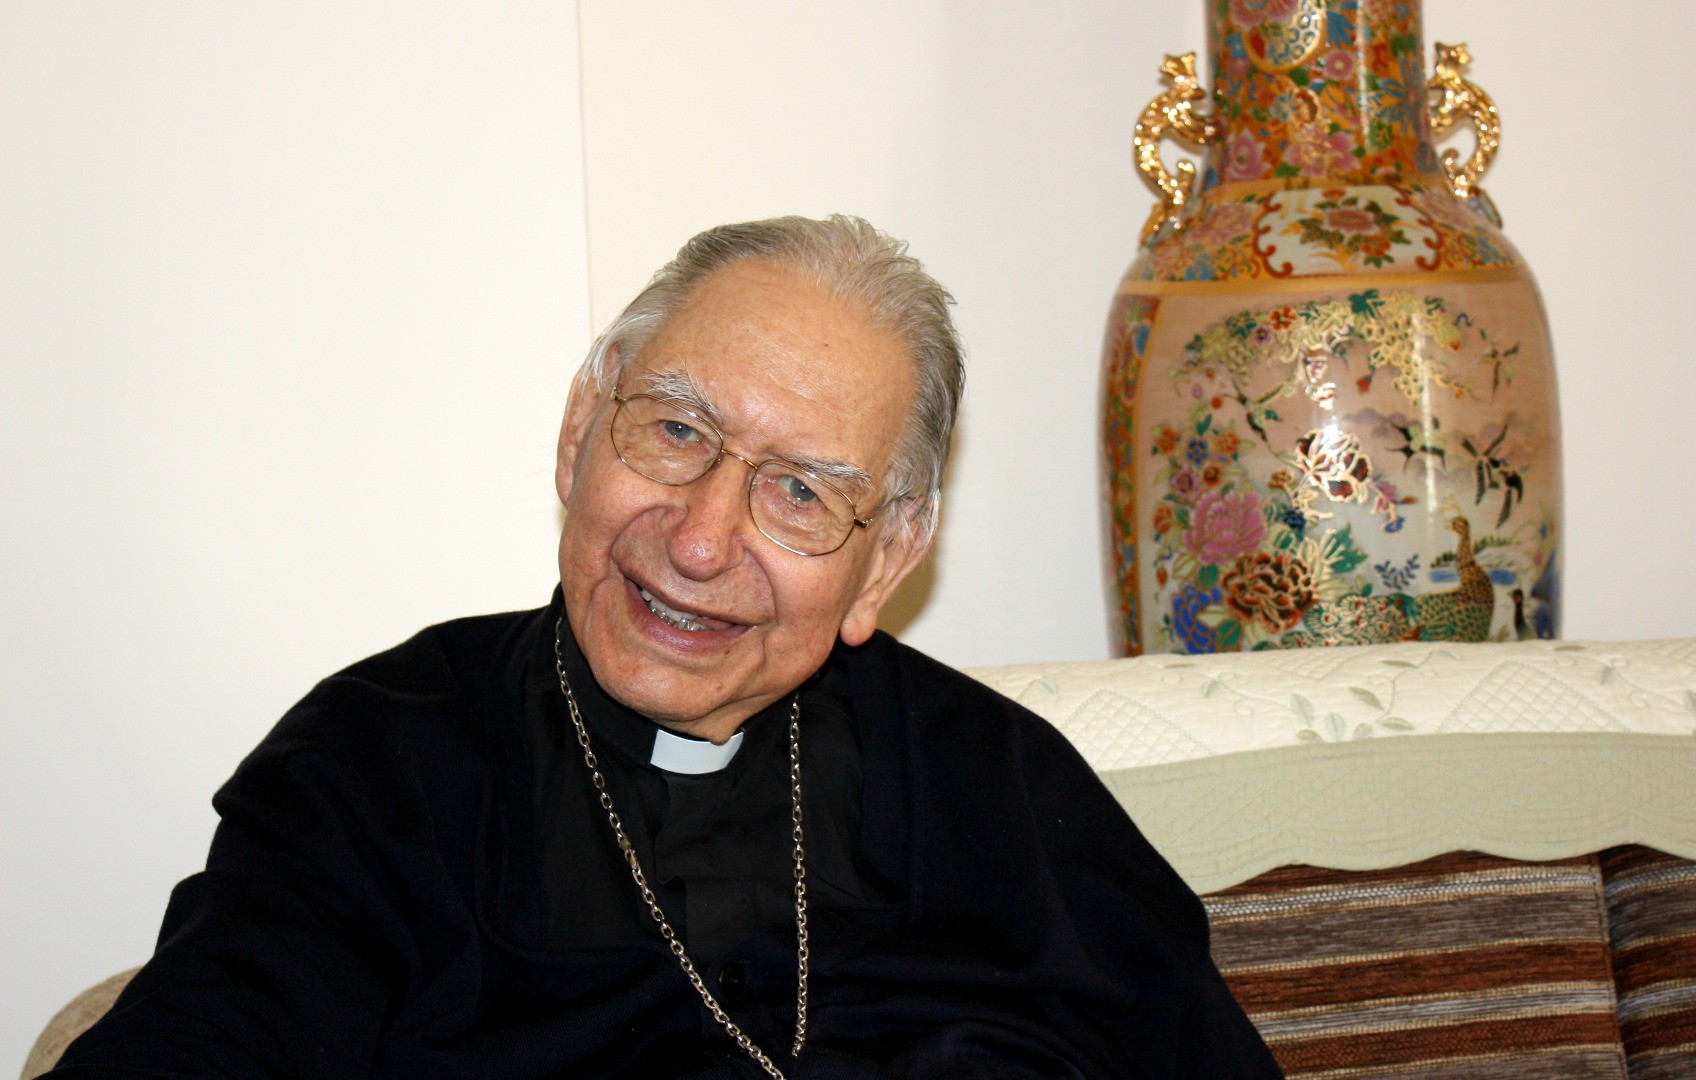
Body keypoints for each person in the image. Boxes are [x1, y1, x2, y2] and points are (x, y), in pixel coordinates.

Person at [48, 216, 1284, 1079]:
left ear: (889, 560)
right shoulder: (383, 764)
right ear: (584, 426)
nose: (700, 541)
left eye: (801, 492)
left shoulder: (1003, 789)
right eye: (678, 429)